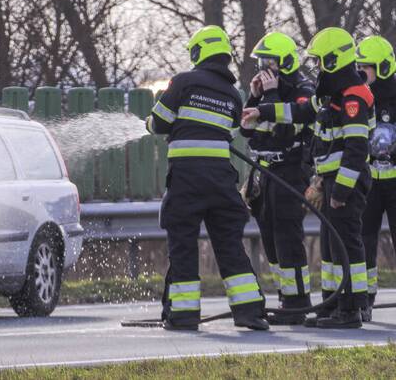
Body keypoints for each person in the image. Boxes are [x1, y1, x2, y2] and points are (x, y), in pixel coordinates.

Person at [243, 27, 373, 329]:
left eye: (320, 61)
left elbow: (356, 150)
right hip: (330, 180)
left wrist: (341, 189)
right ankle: (333, 306)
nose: (316, 67)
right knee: (330, 246)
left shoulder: (353, 97)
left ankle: (352, 309)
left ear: (333, 60)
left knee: (348, 246)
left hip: (345, 181)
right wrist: (261, 108)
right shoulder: (331, 94)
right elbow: (299, 112)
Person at [148, 25, 268, 331]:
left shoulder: (184, 82)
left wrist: (151, 124)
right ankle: (250, 312)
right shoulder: (233, 93)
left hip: (187, 180)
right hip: (221, 182)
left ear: (199, 52)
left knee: (184, 244)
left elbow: (160, 122)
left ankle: (185, 315)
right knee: (230, 243)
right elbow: (228, 132)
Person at [241, 32, 315, 324]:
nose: (264, 68)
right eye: (260, 62)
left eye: (268, 62)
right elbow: (246, 129)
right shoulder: (264, 93)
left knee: (288, 238)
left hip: (289, 171)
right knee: (270, 239)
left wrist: (270, 97)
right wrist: (255, 96)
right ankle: (286, 296)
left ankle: (298, 303)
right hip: (264, 174)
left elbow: (286, 129)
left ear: (283, 63)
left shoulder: (301, 90)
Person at [357, 35, 396, 321]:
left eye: (366, 67)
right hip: (369, 181)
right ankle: (364, 300)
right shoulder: (360, 97)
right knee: (363, 240)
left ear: (381, 67)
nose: (361, 72)